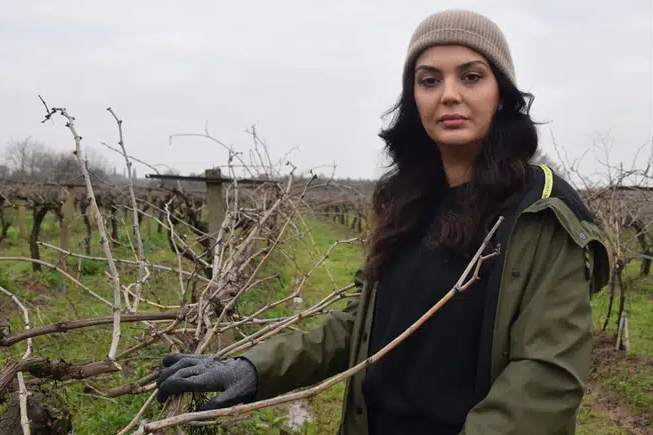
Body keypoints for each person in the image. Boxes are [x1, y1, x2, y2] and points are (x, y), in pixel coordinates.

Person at [155, 9, 610, 435]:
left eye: (471, 76)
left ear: (502, 94)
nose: (449, 94)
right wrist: (254, 367)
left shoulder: (542, 211)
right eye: (429, 80)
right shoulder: (409, 202)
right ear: (414, 99)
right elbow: (364, 326)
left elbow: (546, 378)